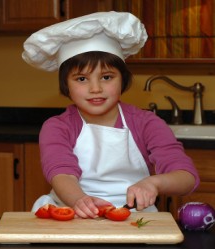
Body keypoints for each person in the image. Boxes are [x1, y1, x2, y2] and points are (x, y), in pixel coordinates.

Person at [22, 11, 200, 218]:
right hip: (71, 212)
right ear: (66, 85)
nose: (95, 88)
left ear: (122, 80)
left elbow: (187, 177)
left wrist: (154, 183)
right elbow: (61, 172)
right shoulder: (57, 127)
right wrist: (80, 200)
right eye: (81, 79)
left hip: (133, 216)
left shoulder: (147, 123)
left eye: (107, 77)